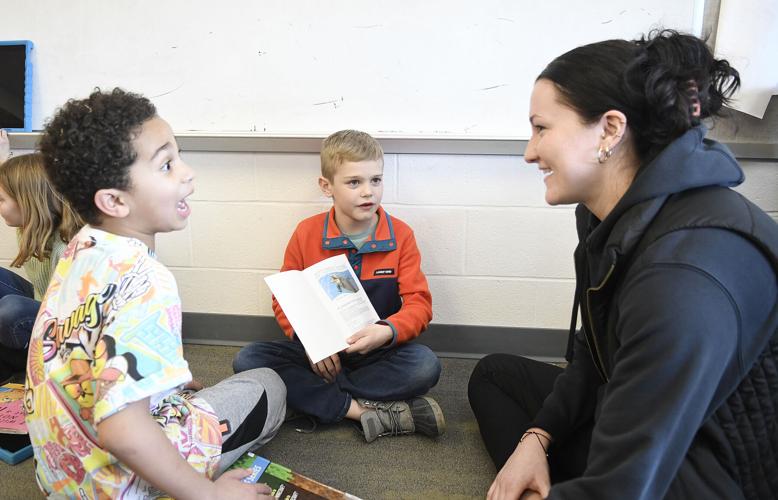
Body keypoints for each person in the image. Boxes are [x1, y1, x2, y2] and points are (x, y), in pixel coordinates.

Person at [468, 30, 778, 500]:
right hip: (644, 420)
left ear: (610, 129)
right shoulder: (607, 216)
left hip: (704, 472)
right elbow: (598, 351)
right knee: (494, 376)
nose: (529, 152)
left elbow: (625, 488)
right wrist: (537, 437)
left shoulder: (683, 277)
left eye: (542, 128)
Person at [27, 88, 286, 499]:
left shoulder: (80, 248)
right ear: (114, 200)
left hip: (61, 478)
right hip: (121, 485)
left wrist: (160, 387)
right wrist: (211, 495)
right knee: (269, 385)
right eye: (166, 164)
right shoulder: (148, 279)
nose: (187, 173)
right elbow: (123, 432)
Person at [233, 129, 445, 443]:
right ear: (326, 186)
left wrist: (386, 331)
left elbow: (419, 304)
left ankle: (309, 399)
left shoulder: (401, 235)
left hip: (376, 353)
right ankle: (362, 411)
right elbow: (284, 298)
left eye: (376, 180)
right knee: (248, 359)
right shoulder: (307, 233)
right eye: (354, 182)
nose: (368, 193)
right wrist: (310, 345)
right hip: (318, 354)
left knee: (426, 365)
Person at [0, 152, 82, 383]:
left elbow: (76, 321)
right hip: (43, 301)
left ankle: (30, 360)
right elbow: (17, 184)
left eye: (1, 201)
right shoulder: (29, 223)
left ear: (26, 202)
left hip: (63, 327)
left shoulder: (67, 247)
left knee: (11, 310)